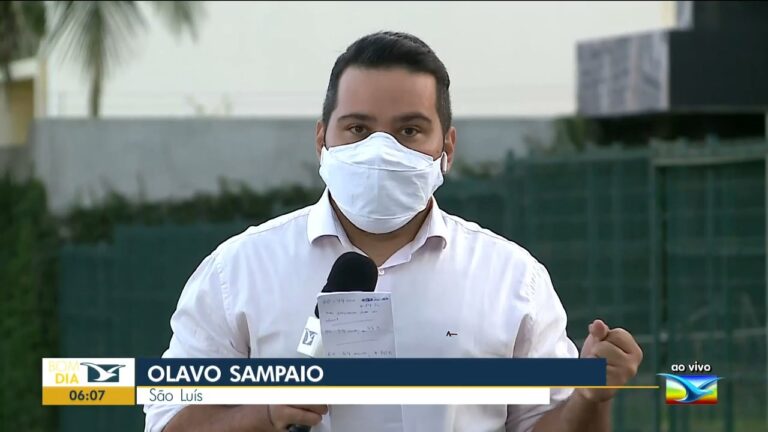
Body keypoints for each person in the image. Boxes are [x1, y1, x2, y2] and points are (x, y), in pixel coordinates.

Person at [144, 31, 643, 432]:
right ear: (323, 140)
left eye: (409, 131)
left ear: (446, 146)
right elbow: (170, 421)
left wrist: (588, 397)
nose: (381, 151)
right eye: (358, 129)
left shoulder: (514, 280)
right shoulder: (238, 272)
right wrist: (266, 414)